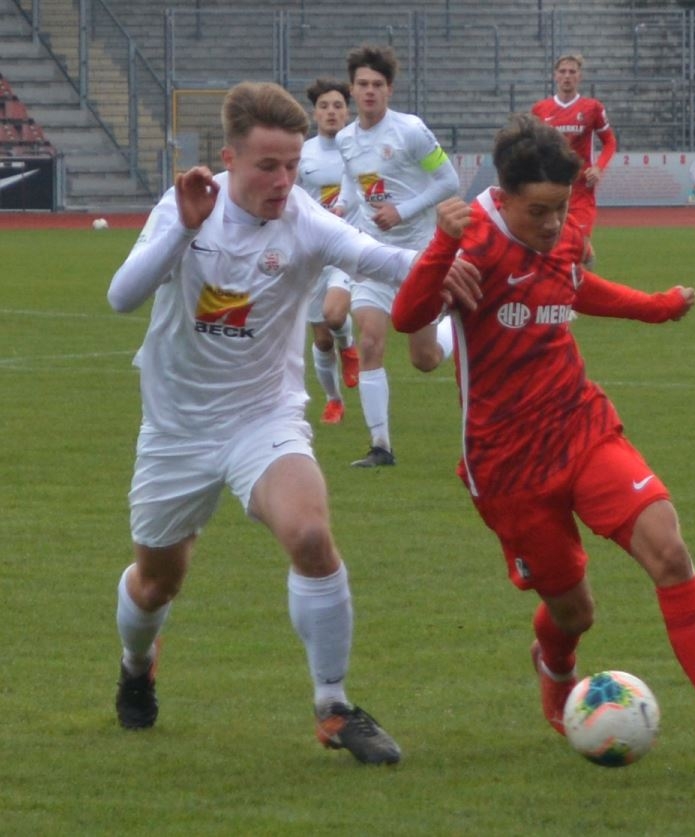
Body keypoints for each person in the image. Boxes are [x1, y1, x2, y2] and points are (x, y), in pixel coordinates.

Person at [391, 114, 695, 769]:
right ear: (503, 198)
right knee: (574, 610)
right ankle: (555, 662)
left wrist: (657, 305)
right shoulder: (471, 240)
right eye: (538, 211)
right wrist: (438, 253)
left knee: (670, 549)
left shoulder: (561, 234)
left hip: (581, 424)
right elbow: (407, 316)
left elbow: (573, 288)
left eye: (560, 210)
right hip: (507, 465)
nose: (551, 225)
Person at [106, 81, 417, 764]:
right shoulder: (188, 206)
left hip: (262, 417)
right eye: (267, 166)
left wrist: (458, 265)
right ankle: (136, 664)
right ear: (230, 159)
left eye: (292, 165)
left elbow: (377, 257)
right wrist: (185, 228)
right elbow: (121, 295)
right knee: (157, 580)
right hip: (178, 428)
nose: (283, 181)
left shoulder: (305, 218)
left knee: (310, 533)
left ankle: (333, 705)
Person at [331, 44, 459, 467]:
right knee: (369, 341)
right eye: (363, 84)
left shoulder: (411, 131)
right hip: (371, 254)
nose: (369, 92)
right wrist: (339, 210)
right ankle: (380, 446)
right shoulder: (346, 139)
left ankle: (453, 334)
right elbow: (354, 188)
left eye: (378, 85)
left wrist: (401, 210)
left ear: (389, 90)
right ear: (352, 89)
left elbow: (448, 181)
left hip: (416, 257)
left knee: (423, 360)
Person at [297, 76, 360, 424]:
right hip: (312, 249)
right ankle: (334, 399)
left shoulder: (358, 147)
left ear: (347, 112)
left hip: (348, 243)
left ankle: (349, 346)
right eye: (324, 107)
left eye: (337, 106)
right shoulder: (302, 153)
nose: (331, 112)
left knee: (335, 315)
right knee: (321, 339)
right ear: (314, 114)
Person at [531, 52, 617, 265]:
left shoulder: (592, 108)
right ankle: (583, 270)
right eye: (562, 71)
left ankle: (580, 284)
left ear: (580, 76)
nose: (567, 76)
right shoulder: (541, 109)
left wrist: (598, 168)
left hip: (581, 190)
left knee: (575, 250)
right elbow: (534, 146)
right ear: (555, 76)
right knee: (553, 248)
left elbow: (610, 142)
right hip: (552, 188)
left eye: (572, 72)